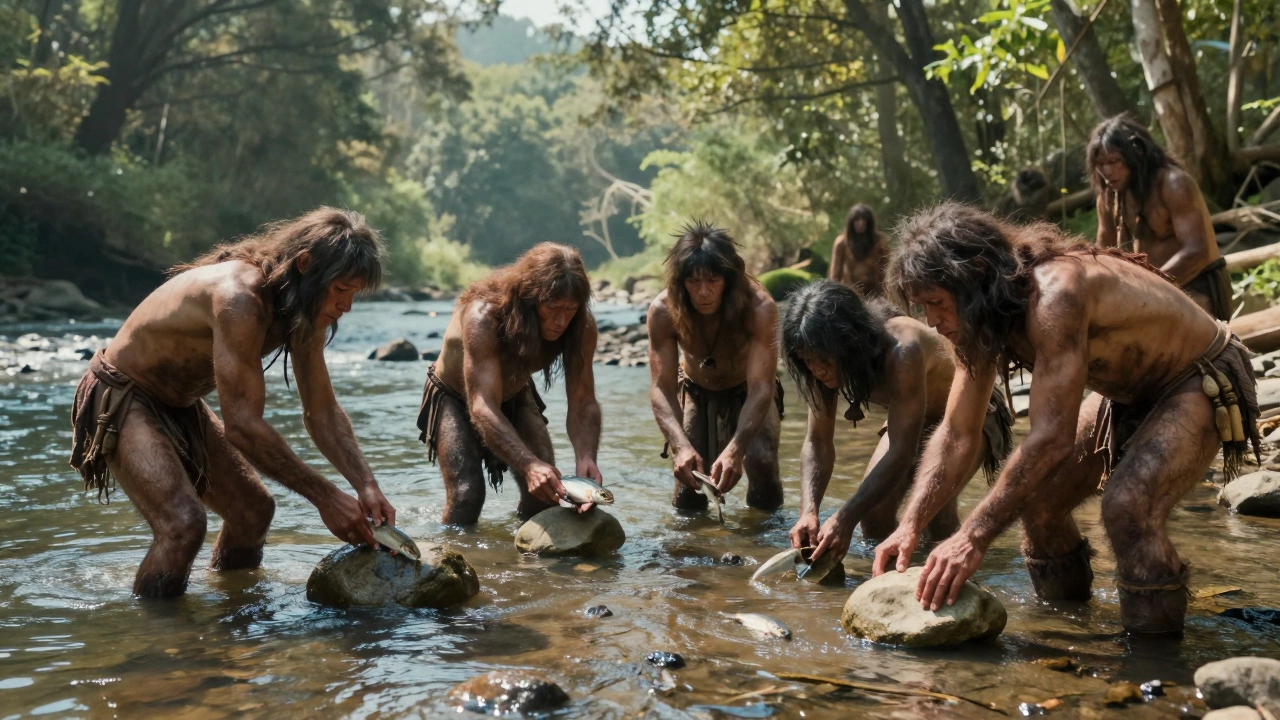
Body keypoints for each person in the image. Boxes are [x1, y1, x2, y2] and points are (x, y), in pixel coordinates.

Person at [872, 203, 1259, 635]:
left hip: (1196, 376)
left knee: (1127, 507)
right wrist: (910, 524)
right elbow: (958, 432)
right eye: (923, 307)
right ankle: (1070, 634)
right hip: (1122, 392)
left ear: (974, 276)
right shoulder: (980, 319)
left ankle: (1156, 669)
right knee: (1039, 504)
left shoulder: (1054, 294)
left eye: (937, 304)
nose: (932, 322)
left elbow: (1051, 439)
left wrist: (972, 537)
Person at [70, 207, 396, 598]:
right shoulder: (240, 298)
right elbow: (242, 426)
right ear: (305, 265)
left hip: (183, 402)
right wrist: (326, 497)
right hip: (124, 392)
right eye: (341, 290)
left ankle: (233, 621)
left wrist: (366, 484)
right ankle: (155, 645)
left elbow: (322, 411)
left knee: (253, 512)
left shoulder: (303, 310)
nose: (346, 306)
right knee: (183, 525)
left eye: (354, 294)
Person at [781, 280, 1011, 562]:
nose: (817, 369)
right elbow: (817, 441)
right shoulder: (816, 361)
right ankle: (890, 576)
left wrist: (843, 518)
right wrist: (809, 511)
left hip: (968, 416)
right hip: (907, 419)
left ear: (851, 341)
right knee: (873, 516)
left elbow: (902, 451)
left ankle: (952, 580)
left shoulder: (902, 349)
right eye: (807, 360)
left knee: (934, 515)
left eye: (824, 360)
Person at [417, 243, 602, 524]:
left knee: (546, 494)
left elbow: (583, 400)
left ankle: (529, 562)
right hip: (454, 395)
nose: (561, 321)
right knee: (467, 496)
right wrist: (528, 465)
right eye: (552, 308)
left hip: (515, 391)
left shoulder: (581, 326)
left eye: (570, 309)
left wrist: (586, 456)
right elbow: (481, 406)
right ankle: (451, 561)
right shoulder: (485, 316)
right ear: (528, 299)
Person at [647, 222, 783, 511]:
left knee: (762, 463)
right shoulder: (663, 310)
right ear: (680, 282)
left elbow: (761, 388)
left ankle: (765, 546)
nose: (704, 292)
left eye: (713, 280)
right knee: (688, 487)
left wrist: (736, 450)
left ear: (729, 278)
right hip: (696, 389)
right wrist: (679, 445)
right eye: (694, 282)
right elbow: (661, 388)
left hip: (749, 391)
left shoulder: (759, 308)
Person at [1090, 115, 1232, 319]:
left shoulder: (1173, 184)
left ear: (1136, 154)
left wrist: (1148, 287)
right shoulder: (1108, 199)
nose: (1107, 171)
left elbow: (1197, 251)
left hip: (1197, 286)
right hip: (1150, 293)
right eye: (1100, 164)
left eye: (1114, 161)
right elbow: (1103, 254)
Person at [828, 204, 890, 297]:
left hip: (876, 296)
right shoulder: (841, 243)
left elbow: (886, 272)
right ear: (851, 223)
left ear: (869, 222)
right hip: (851, 295)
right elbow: (835, 275)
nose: (861, 223)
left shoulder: (879, 241)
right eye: (857, 220)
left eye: (864, 220)